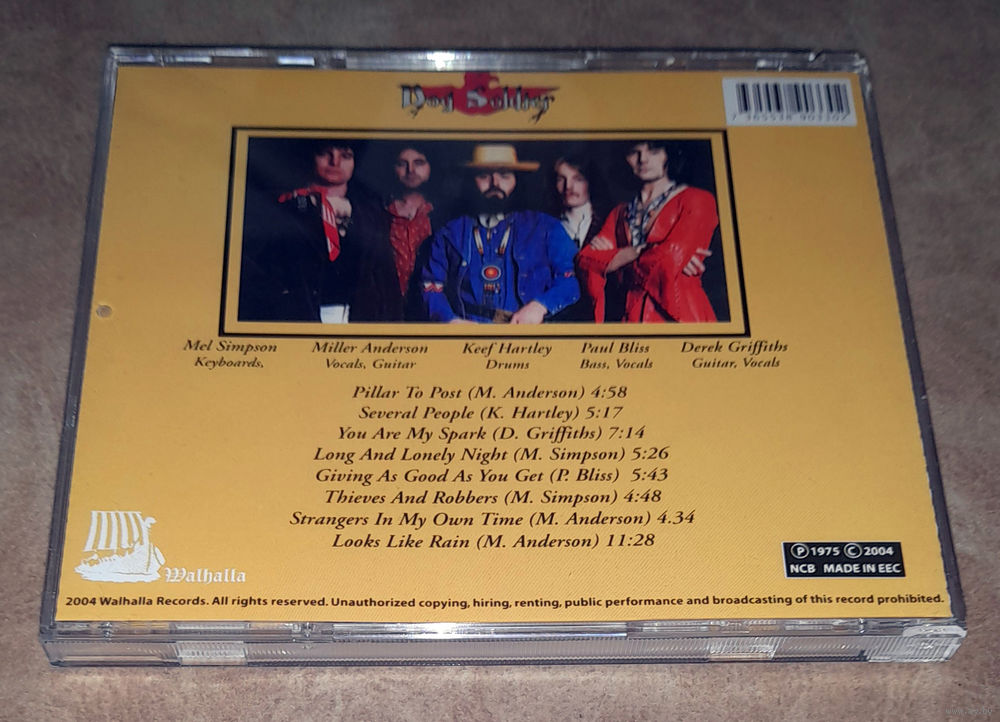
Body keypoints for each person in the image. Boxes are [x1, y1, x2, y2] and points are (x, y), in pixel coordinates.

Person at [239, 139, 402, 323]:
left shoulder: (370, 212)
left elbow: (386, 280)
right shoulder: (282, 207)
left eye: (345, 156)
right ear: (310, 156)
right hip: (298, 320)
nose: (335, 162)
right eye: (325, 153)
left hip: (359, 321)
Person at [421, 144, 579, 324]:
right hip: (469, 335)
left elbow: (570, 282)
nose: (495, 183)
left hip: (527, 335)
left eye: (504, 175)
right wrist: (450, 321)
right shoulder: (450, 232)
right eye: (484, 175)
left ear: (517, 180)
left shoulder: (546, 227)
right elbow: (430, 285)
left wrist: (540, 306)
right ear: (471, 181)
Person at [576, 141, 717, 323]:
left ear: (669, 153)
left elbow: (668, 262)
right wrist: (643, 251)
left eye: (654, 150)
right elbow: (584, 261)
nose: (643, 159)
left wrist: (616, 261)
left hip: (681, 316)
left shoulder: (698, 199)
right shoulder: (619, 212)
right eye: (634, 152)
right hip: (629, 317)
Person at [550, 154, 610, 321]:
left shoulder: (609, 222)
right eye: (561, 179)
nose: (568, 186)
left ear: (591, 182)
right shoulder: (546, 226)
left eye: (578, 179)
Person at [384, 145, 435, 319]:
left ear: (430, 167)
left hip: (430, 308)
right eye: (402, 164)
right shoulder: (380, 212)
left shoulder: (443, 214)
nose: (410, 170)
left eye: (418, 163)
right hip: (389, 309)